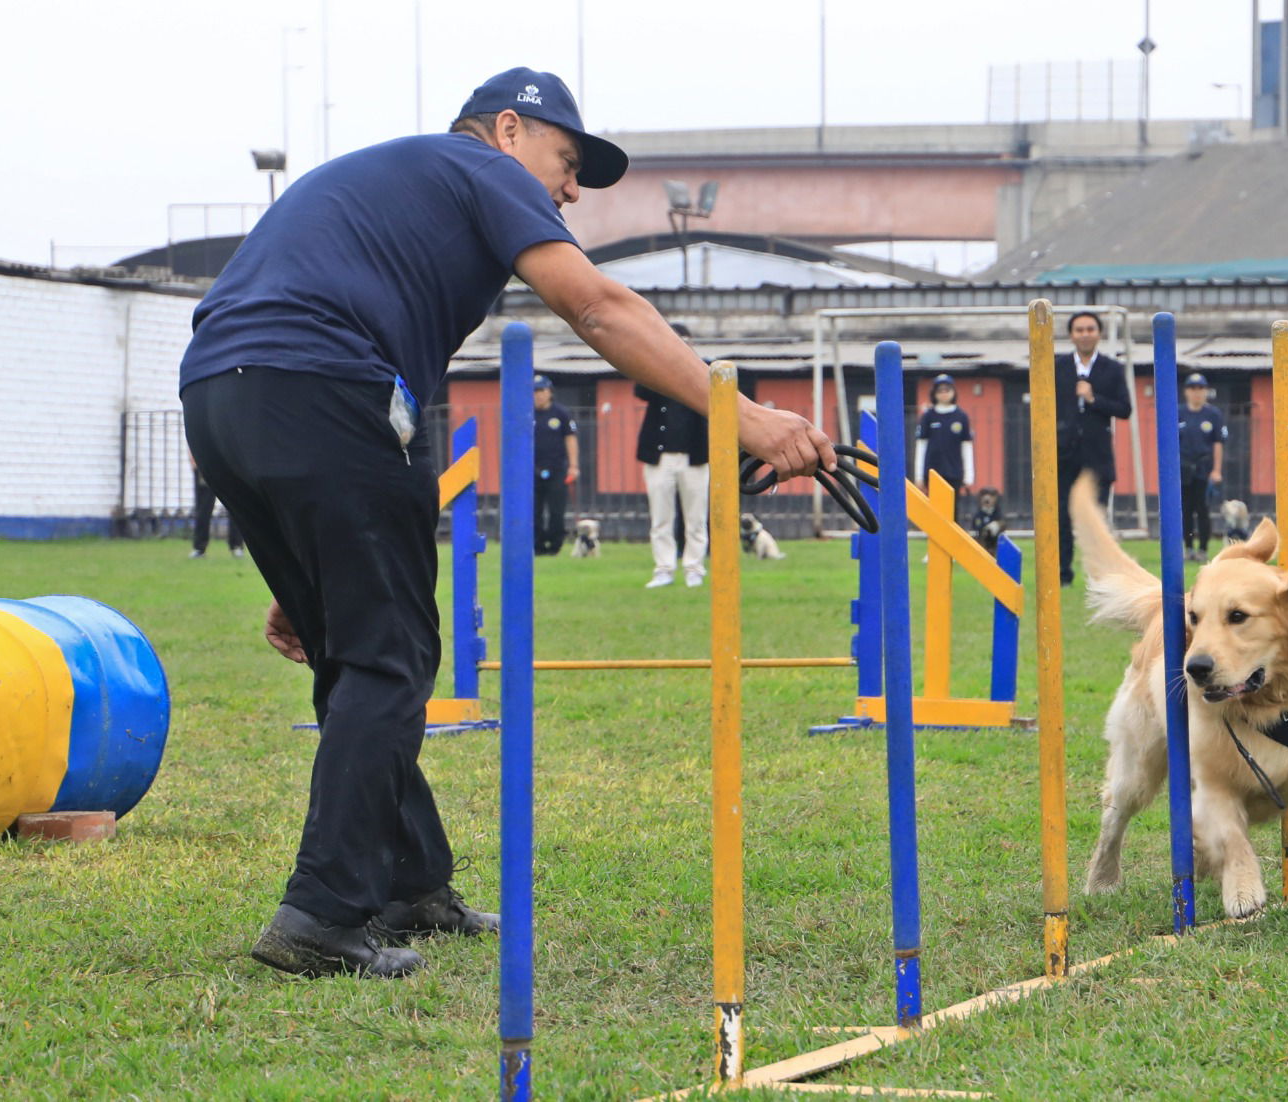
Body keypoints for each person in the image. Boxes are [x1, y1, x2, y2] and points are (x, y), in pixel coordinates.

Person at [178, 66, 833, 980]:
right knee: (391, 657)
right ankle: (322, 917)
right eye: (568, 163)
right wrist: (745, 416)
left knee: (359, 651)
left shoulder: (400, 190)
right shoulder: (479, 169)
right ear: (510, 131)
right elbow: (599, 306)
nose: (570, 191)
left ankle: (412, 883)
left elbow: (284, 347)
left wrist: (306, 573)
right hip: (322, 385)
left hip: (218, 389)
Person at [1054, 311, 1131, 585]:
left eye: (1090, 329)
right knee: (1061, 515)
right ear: (1071, 334)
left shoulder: (1112, 369)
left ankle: (1098, 577)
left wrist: (1093, 398)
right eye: (1079, 329)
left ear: (1098, 333)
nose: (1085, 334)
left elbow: (1124, 409)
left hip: (1097, 456)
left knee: (1095, 518)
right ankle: (1062, 574)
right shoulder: (1057, 367)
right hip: (1062, 455)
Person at [636, 321, 710, 588]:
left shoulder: (704, 368)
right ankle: (664, 567)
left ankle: (694, 567)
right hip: (661, 456)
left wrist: (687, 360)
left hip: (695, 457)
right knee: (661, 517)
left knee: (696, 517)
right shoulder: (656, 371)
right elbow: (640, 390)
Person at [1176, 374, 1226, 561]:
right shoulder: (1178, 412)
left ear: (1206, 391)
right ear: (1186, 391)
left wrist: (1216, 470)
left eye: (1200, 389)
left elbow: (1218, 443)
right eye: (1192, 389)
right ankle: (1188, 548)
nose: (1196, 393)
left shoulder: (1213, 414)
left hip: (1204, 467)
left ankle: (1203, 549)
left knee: (1203, 510)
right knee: (1185, 510)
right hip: (1183, 467)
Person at [532, 373, 579, 556]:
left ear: (550, 392)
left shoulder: (561, 413)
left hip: (557, 469)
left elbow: (570, 439)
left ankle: (555, 546)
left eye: (542, 391)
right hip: (532, 470)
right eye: (535, 391)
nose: (538, 395)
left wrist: (573, 466)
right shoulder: (527, 413)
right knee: (534, 512)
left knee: (556, 512)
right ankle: (537, 547)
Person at [914, 373, 975, 499]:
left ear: (953, 392)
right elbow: (921, 446)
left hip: (954, 472)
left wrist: (969, 476)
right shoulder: (928, 416)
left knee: (953, 512)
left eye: (947, 390)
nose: (944, 393)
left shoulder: (961, 416)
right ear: (934, 394)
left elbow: (966, 446)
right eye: (940, 390)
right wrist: (919, 475)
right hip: (932, 473)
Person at [190, 455, 244, 559]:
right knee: (203, 508)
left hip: (230, 462)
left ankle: (236, 545)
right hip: (206, 462)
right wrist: (194, 456)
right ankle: (199, 548)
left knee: (236, 506)